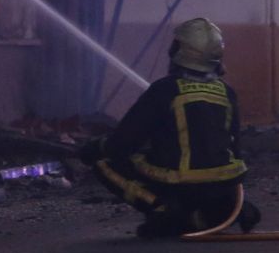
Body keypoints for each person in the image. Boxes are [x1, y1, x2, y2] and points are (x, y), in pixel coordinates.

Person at [81, 17, 261, 238]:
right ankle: (218, 212)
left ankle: (164, 209)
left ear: (182, 50)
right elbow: (234, 146)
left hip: (180, 184)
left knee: (104, 162)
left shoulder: (164, 90)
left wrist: (94, 148)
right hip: (224, 185)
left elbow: (124, 142)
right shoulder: (226, 92)